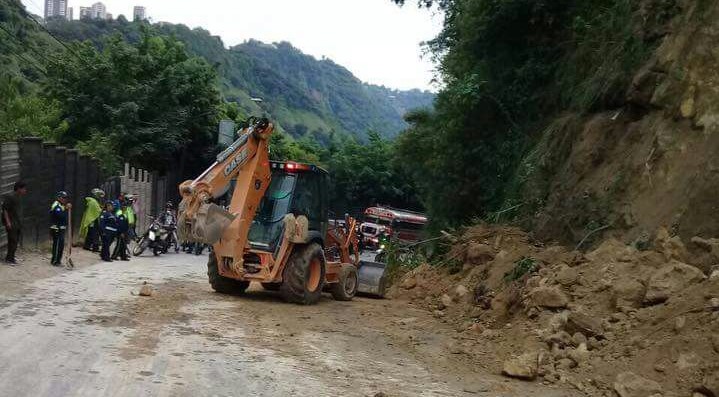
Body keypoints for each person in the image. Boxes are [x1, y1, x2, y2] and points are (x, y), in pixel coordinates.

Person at [2, 181, 27, 265]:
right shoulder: (10, 197)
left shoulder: (19, 197)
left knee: (15, 241)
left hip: (18, 223)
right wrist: (8, 222)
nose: (25, 190)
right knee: (13, 241)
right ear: (19, 188)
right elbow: (5, 210)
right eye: (23, 188)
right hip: (12, 223)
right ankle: (9, 259)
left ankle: (12, 257)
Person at [49, 191, 71, 267]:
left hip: (61, 228)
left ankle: (58, 260)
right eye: (63, 198)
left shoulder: (62, 205)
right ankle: (55, 261)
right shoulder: (56, 205)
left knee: (60, 245)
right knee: (58, 244)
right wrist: (66, 209)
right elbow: (60, 216)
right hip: (56, 228)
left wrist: (66, 208)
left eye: (66, 198)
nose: (65, 199)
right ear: (59, 197)